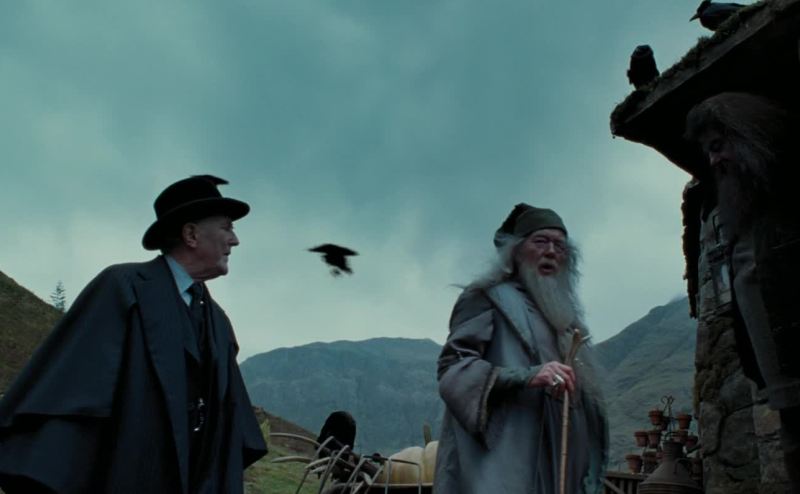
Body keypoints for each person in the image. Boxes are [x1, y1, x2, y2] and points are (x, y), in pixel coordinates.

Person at [0, 175, 267, 493]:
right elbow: (72, 395)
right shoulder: (123, 289)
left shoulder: (218, 321)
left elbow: (231, 425)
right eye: (226, 228)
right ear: (191, 234)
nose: (234, 240)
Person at [433, 203, 608, 494]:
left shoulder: (567, 322)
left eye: (560, 246)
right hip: (506, 460)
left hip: (561, 463)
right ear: (515, 251)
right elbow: (453, 368)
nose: (551, 251)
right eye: (540, 242)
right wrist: (526, 376)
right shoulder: (487, 298)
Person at [684, 92, 800, 491]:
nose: (714, 160)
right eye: (708, 152)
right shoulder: (743, 212)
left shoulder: (790, 199)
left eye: (718, 146)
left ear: (749, 136)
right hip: (782, 388)